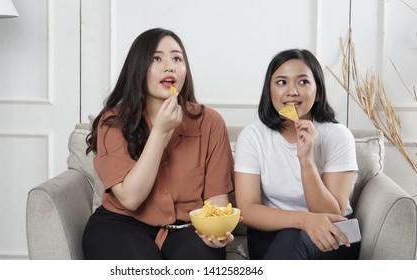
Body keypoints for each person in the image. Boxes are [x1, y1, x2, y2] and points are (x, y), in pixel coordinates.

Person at [82, 28, 235, 260]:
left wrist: (217, 229)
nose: (169, 66)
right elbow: (130, 199)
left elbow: (216, 198)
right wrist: (160, 132)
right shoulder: (112, 122)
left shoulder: (210, 122)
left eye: (176, 58)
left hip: (187, 230)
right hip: (121, 224)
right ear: (138, 68)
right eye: (156, 58)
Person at [234, 49, 361, 260]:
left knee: (293, 241)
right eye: (282, 82)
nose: (292, 91)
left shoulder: (338, 136)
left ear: (317, 92)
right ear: (270, 91)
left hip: (331, 235)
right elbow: (247, 210)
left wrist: (306, 161)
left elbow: (333, 212)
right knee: (289, 239)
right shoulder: (253, 136)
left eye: (303, 82)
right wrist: (303, 220)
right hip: (270, 235)